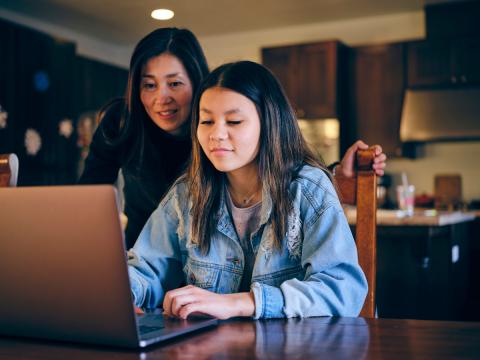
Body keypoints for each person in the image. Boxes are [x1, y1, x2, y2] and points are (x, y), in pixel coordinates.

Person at [79, 27, 386, 249]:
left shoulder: (220, 137)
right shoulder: (123, 124)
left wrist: (333, 177)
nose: (162, 98)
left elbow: (281, 171)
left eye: (174, 83)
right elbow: (87, 198)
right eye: (149, 85)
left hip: (203, 266)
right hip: (150, 260)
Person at [127, 61, 367, 320]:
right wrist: (124, 294)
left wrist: (242, 303)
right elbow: (145, 269)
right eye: (206, 120)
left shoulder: (308, 188)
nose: (216, 134)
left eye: (234, 121)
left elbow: (343, 290)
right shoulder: (186, 195)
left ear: (270, 123)